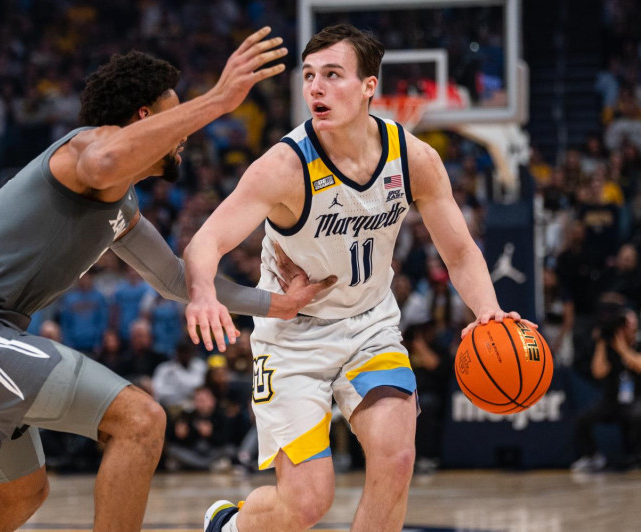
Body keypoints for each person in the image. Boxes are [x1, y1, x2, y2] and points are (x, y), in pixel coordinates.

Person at [0, 28, 332, 532]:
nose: (185, 136)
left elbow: (174, 277)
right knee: (141, 422)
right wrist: (216, 99)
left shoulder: (121, 203)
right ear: (146, 119)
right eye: (175, 117)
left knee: (21, 494)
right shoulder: (87, 150)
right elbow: (104, 159)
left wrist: (277, 304)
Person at [185, 24, 531, 532]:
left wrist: (487, 312)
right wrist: (201, 293)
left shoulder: (412, 157)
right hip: (292, 339)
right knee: (306, 504)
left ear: (370, 85)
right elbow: (205, 243)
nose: (316, 89)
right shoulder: (283, 166)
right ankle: (231, 526)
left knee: (396, 459)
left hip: (370, 325)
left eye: (332, 75)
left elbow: (459, 251)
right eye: (308, 77)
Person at [572, 302, 641, 472]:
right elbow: (598, 372)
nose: (628, 326)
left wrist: (623, 349)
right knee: (584, 418)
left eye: (631, 322)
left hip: (636, 399)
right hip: (612, 400)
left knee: (637, 415)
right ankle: (592, 456)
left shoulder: (637, 344)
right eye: (625, 322)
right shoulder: (608, 346)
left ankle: (635, 457)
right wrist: (601, 343)